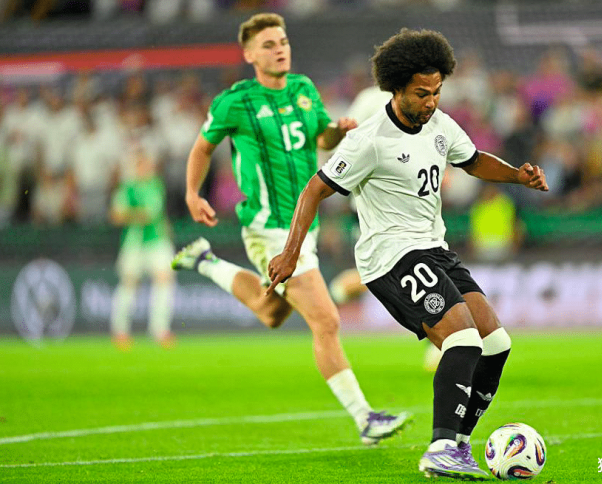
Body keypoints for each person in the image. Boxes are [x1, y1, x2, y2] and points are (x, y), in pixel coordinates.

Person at [267, 28, 548, 480]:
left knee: (496, 345)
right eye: (422, 93)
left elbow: (473, 159)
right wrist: (289, 254)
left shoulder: (440, 125)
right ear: (396, 88)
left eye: (437, 91)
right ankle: (441, 448)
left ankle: (458, 445)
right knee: (463, 340)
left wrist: (517, 175)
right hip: (390, 256)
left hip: (435, 249)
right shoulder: (370, 139)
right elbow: (314, 190)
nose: (431, 101)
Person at [170, 13, 410, 445]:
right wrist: (192, 193)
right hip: (269, 228)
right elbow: (202, 148)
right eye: (268, 44)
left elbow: (321, 139)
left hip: (304, 226)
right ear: (249, 55)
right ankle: (366, 419)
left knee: (272, 313)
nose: (279, 49)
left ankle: (204, 260)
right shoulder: (235, 102)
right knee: (326, 319)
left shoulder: (303, 89)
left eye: (282, 41)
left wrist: (337, 130)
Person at [110, 137, 176, 350]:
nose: (146, 167)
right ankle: (120, 330)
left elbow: (157, 214)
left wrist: (165, 229)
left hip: (157, 239)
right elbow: (116, 215)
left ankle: (160, 330)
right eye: (141, 164)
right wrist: (139, 215)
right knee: (129, 283)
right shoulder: (128, 188)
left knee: (165, 280)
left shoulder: (156, 185)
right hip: (135, 241)